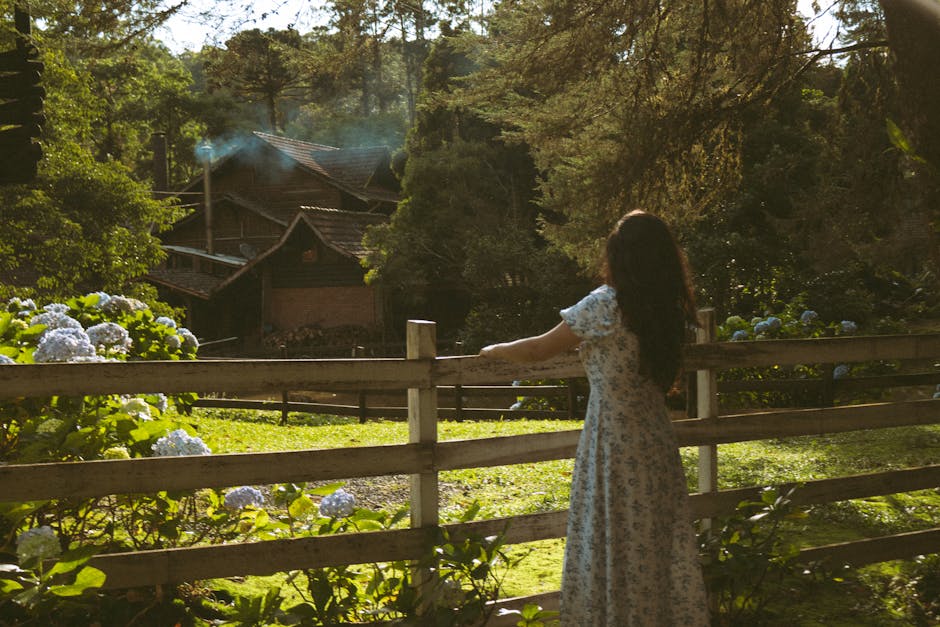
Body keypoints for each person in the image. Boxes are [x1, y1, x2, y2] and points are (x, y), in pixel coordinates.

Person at [479, 210, 709, 626]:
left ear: (620, 257)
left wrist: (493, 350)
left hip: (613, 440)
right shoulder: (669, 311)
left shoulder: (605, 306)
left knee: (614, 539)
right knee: (651, 541)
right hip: (655, 440)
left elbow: (537, 350)